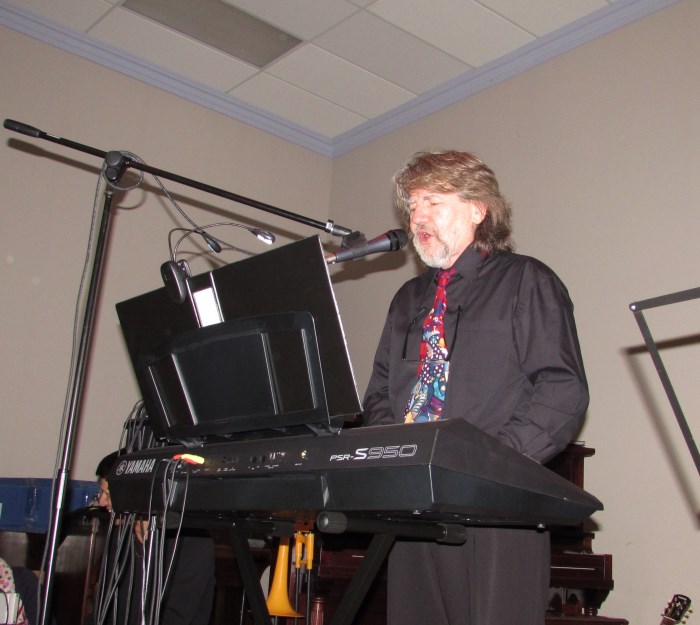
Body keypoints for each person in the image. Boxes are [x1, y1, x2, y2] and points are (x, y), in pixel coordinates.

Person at [362, 149, 589, 625]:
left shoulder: (526, 279)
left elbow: (561, 388)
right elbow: (380, 394)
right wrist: (395, 460)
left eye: (432, 202)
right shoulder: (407, 300)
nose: (417, 217)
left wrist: (491, 466)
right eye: (412, 206)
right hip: (412, 507)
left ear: (478, 209)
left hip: (495, 509)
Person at [90, 452, 216, 625]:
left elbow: (176, 616)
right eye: (101, 492)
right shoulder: (120, 535)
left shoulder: (191, 540)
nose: (102, 502)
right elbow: (103, 610)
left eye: (109, 493)